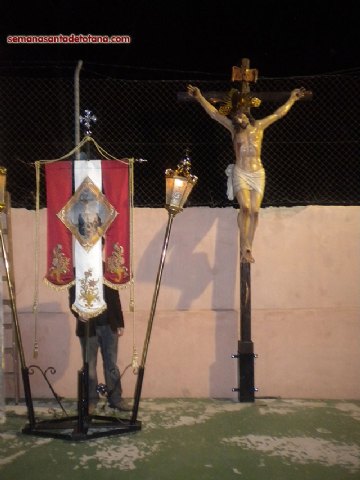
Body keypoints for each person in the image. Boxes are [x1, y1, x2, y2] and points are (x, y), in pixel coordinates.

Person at [187, 84, 305, 263]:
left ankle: (249, 246)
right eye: (235, 115)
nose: (237, 117)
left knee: (255, 211)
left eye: (240, 114)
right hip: (241, 172)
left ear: (247, 113)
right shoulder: (233, 130)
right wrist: (199, 96)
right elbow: (214, 114)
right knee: (246, 208)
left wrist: (292, 99)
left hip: (258, 173)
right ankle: (245, 248)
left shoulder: (259, 127)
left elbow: (278, 114)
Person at [69, 282, 131, 413]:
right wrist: (77, 313)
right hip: (88, 328)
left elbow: (115, 297)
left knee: (111, 365)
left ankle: (116, 399)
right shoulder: (80, 272)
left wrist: (120, 322)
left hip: (110, 325)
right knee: (89, 366)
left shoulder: (108, 272)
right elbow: (72, 297)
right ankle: (91, 400)